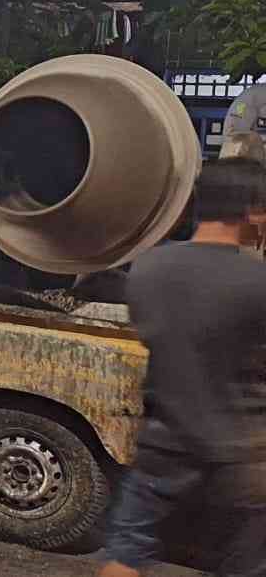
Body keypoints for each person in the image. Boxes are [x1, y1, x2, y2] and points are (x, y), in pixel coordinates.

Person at [98, 158, 266, 577]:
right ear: (250, 209)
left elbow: (151, 334)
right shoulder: (256, 281)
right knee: (244, 564)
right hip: (240, 454)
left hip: (163, 444)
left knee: (126, 552)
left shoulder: (148, 268)